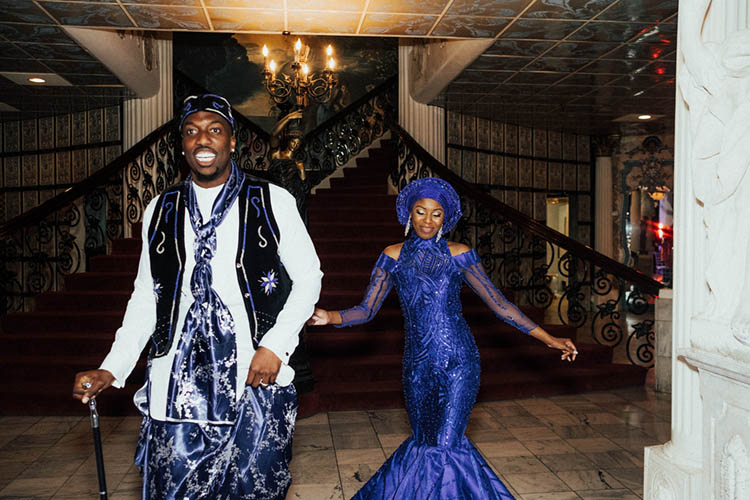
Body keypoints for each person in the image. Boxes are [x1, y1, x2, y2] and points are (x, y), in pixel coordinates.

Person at [72, 94, 323, 499]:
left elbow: (308, 279)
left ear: (233, 141)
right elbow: (146, 297)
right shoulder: (160, 209)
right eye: (191, 132)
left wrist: (275, 347)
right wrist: (112, 368)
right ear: (183, 143)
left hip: (253, 378)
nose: (201, 140)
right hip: (177, 385)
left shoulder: (272, 200)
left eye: (214, 130)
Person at [308, 177, 577, 500]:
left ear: (445, 219)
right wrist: (331, 316)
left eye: (436, 214)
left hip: (459, 363)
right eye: (420, 211)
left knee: (446, 445)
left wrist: (549, 339)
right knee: (424, 443)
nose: (427, 220)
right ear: (409, 213)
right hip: (417, 367)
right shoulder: (392, 256)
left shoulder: (460, 254)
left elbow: (501, 305)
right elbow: (367, 310)